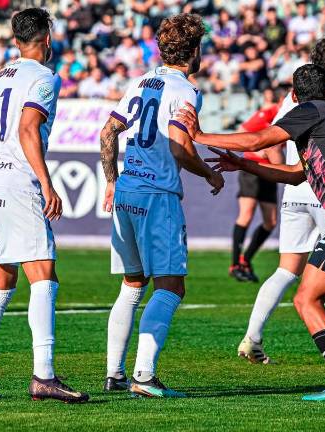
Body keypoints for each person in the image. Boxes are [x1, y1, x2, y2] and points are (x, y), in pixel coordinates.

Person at [175, 63, 325, 401]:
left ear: (293, 95)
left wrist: (200, 136)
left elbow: (260, 138)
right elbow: (294, 174)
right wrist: (245, 164)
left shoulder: (311, 111)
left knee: (307, 298)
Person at [0, 8, 89, 403]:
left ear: (15, 41)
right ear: (47, 40)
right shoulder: (45, 77)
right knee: (43, 276)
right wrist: (46, 184)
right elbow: (28, 128)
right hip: (17, 184)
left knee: (0, 285)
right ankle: (44, 376)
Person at [233, 35, 325, 369]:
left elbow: (273, 138)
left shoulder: (291, 97)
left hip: (294, 190)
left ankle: (252, 337)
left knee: (287, 269)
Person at [99, 13, 224, 398]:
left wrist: (111, 180)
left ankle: (115, 374)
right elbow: (178, 147)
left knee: (132, 283)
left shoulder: (138, 82)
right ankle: (144, 376)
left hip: (127, 193)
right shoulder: (185, 90)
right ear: (194, 51)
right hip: (158, 196)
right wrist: (208, 173)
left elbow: (108, 132)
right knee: (170, 286)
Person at [229, 87, 283, 283]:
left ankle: (246, 259)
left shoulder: (290, 116)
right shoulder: (268, 113)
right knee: (247, 213)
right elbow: (242, 132)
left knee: (271, 221)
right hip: (252, 168)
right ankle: (235, 263)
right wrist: (258, 149)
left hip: (271, 171)